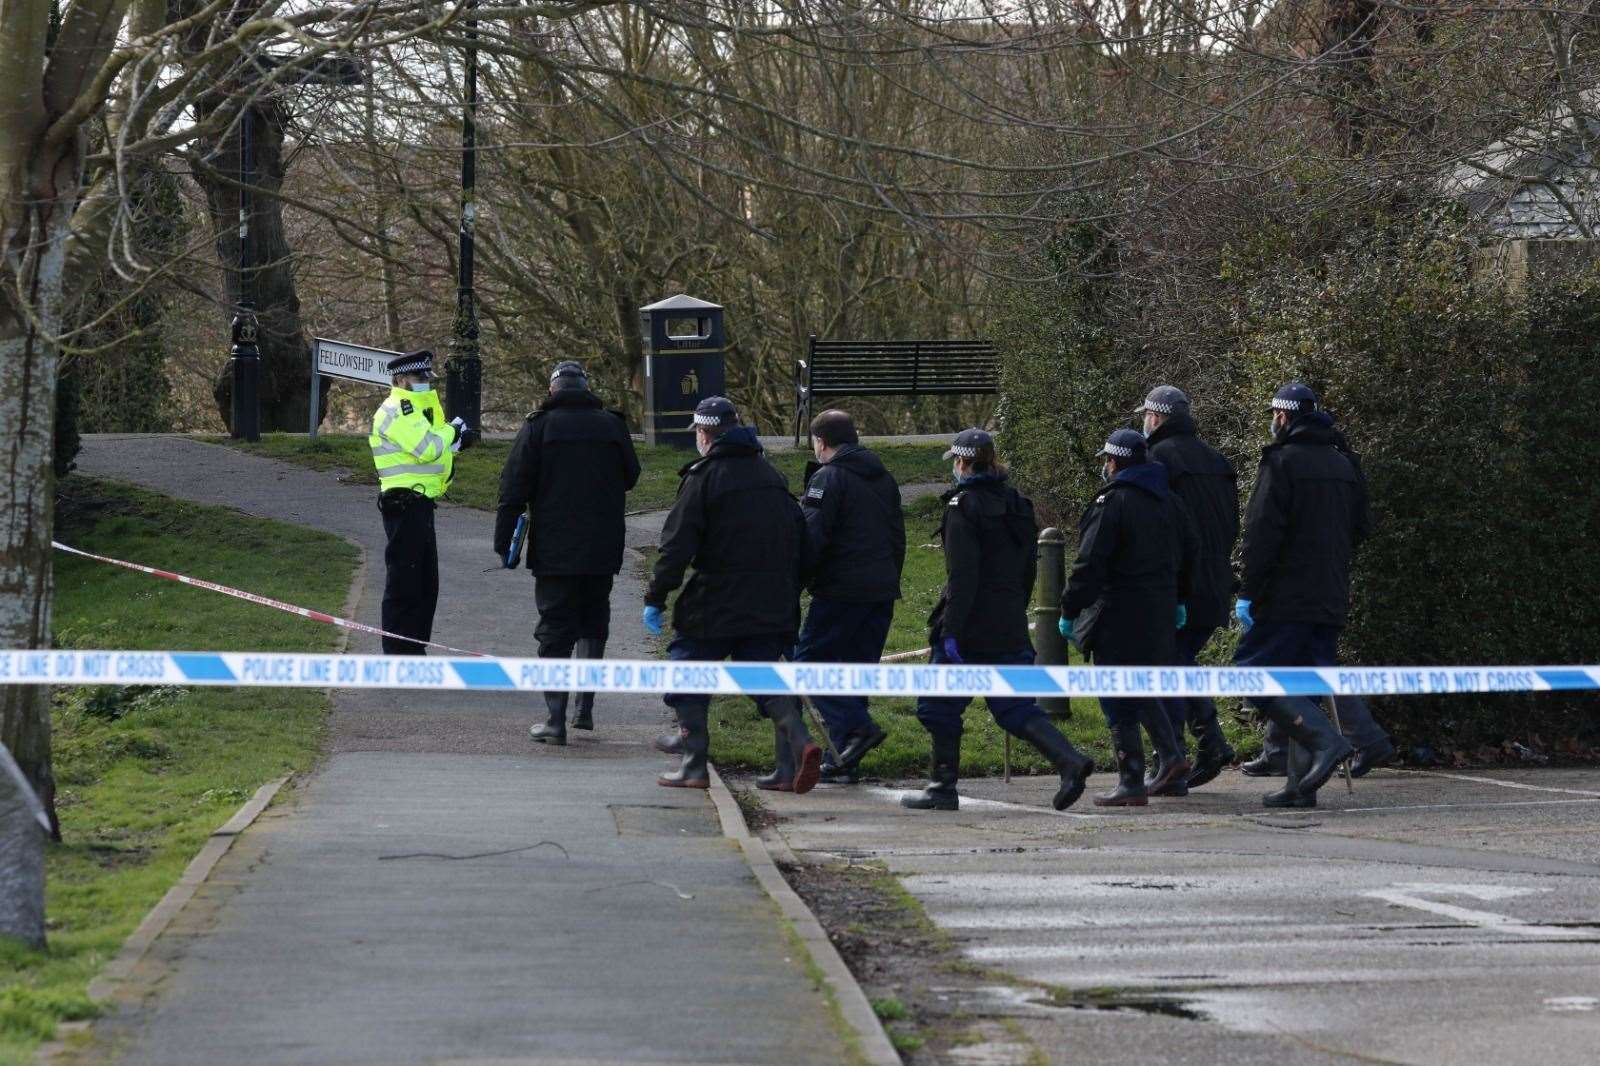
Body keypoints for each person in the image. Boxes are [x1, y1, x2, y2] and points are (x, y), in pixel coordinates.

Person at [902, 429, 1094, 812]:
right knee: (1014, 707)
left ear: (962, 462)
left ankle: (942, 786)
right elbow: (1027, 571)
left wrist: (952, 631)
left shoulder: (962, 507)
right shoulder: (1018, 504)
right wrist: (1012, 611)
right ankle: (1069, 761)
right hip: (1007, 622)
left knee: (936, 708)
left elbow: (963, 577)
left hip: (969, 624)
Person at [643, 396, 822, 792]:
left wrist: (657, 596)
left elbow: (676, 546)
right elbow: (803, 541)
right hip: (773, 599)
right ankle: (799, 744)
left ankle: (693, 765)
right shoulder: (772, 476)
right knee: (763, 675)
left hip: (717, 597)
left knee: (685, 670)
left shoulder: (703, 478)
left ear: (704, 434)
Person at [1233, 383, 1392, 808]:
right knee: (1305, 678)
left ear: (1283, 417)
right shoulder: (1344, 463)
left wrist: (1249, 590)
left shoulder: (1281, 461)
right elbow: (1361, 528)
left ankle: (1326, 743)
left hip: (1286, 595)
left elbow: (1262, 534)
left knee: (1254, 672)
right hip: (1330, 592)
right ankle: (1299, 785)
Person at [495, 360, 641, 745]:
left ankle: (555, 719)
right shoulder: (612, 425)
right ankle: (585, 710)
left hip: (556, 549)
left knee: (555, 631)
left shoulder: (539, 426)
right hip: (602, 547)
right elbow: (632, 475)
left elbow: (513, 487)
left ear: (552, 391)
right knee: (594, 623)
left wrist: (504, 542)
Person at [1059, 428, 1198, 807]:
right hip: (1160, 612)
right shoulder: (1170, 500)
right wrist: (1180, 600)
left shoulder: (1112, 502)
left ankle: (1131, 779)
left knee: (1117, 695)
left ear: (1114, 461)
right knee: (1141, 685)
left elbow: (1090, 564)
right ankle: (1171, 756)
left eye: (1107, 459)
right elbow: (1189, 556)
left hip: (1118, 614)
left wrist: (1069, 610)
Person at [791, 409, 906, 787]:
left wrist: (794, 584)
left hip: (840, 591)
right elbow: (897, 536)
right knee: (854, 673)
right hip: (881, 590)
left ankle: (856, 730)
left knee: (809, 664)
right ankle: (846, 760)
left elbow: (812, 537)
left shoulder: (828, 477)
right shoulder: (883, 477)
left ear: (821, 442)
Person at [1138, 386, 1240, 790]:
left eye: (1145, 415)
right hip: (1215, 581)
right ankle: (1194, 748)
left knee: (1165, 666)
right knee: (1178, 662)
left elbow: (1161, 529)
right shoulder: (1216, 460)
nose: (1142, 423)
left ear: (1156, 418)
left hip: (1177, 584)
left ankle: (1180, 753)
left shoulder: (1157, 461)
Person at [368, 350, 476, 654]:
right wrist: (453, 431)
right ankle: (399, 655)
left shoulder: (421, 411)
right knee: (404, 583)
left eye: (427, 376)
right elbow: (427, 447)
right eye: (419, 377)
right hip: (404, 504)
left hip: (420, 503)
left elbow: (434, 449)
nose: (425, 382)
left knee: (426, 584)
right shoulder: (398, 409)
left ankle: (415, 651)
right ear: (402, 379)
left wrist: (454, 443)